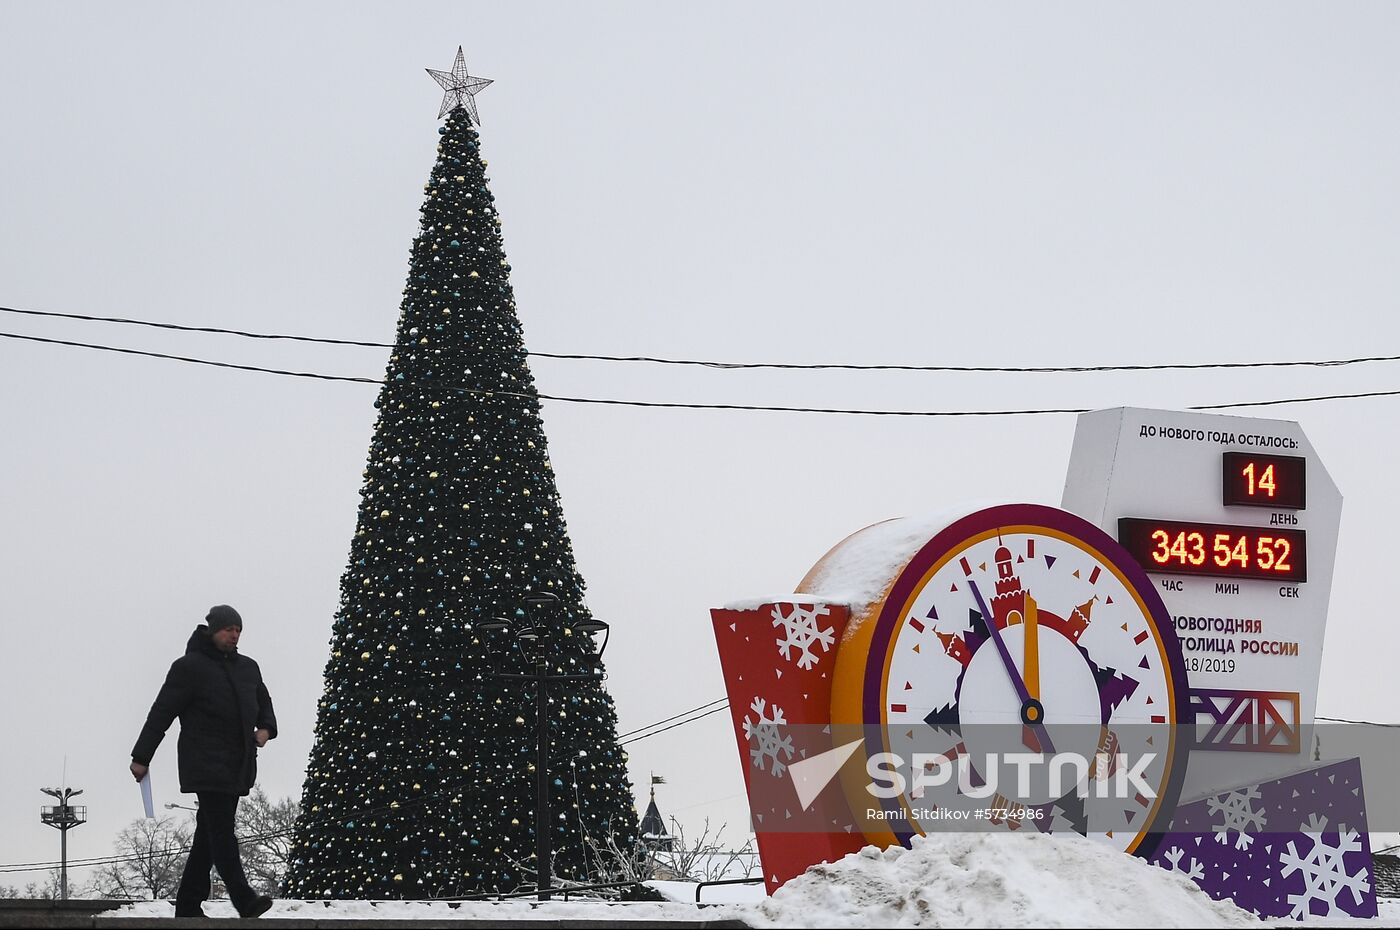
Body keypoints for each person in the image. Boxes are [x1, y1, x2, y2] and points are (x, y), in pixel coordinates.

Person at [130, 605, 277, 919]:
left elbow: (264, 703)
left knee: (208, 836)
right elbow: (161, 713)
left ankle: (187, 905)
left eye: (238, 630)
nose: (234, 635)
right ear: (212, 631)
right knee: (222, 830)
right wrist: (142, 756)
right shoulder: (189, 668)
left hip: (238, 763)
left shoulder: (248, 668)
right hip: (205, 762)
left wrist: (266, 729)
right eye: (228, 629)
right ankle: (244, 899)